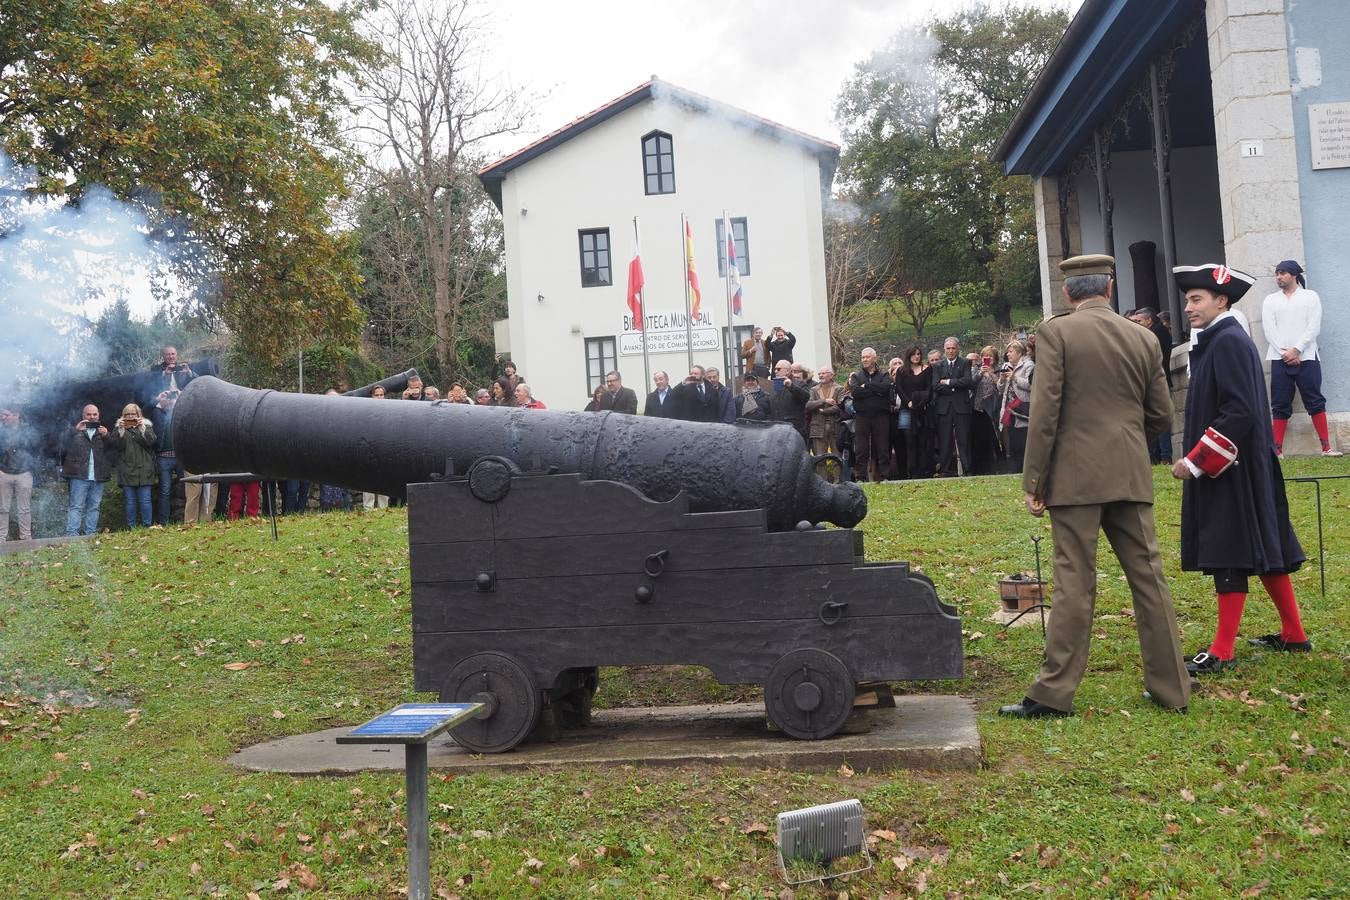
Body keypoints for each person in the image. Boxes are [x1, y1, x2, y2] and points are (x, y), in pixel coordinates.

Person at [1000, 254, 1189, 718]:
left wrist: (1035, 478)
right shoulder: (1144, 337)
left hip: (1074, 477)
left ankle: (1053, 694)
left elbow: (1045, 412)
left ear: (1068, 293)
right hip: (1128, 470)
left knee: (1073, 583)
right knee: (1149, 580)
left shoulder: (1056, 332)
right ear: (1110, 287)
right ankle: (1173, 690)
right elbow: (1162, 416)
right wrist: (1125, 441)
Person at [1170, 263, 1311, 674]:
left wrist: (1196, 461)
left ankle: (1222, 650)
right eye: (1188, 300)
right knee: (1268, 546)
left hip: (1231, 467)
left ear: (1221, 300)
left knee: (1228, 550)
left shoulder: (1228, 340)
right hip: (1241, 464)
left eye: (1196, 300)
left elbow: (1239, 412)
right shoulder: (1220, 338)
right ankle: (1293, 633)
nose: (1189, 307)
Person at [1262, 259, 1342, 456]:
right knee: (1280, 403)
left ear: (1294, 275)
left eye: (1283, 273)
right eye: (1277, 273)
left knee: (1315, 400)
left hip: (1307, 357)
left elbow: (1313, 326)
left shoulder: (1310, 296)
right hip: (1280, 358)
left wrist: (1297, 349)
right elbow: (1269, 329)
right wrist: (1285, 353)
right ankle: (1277, 450)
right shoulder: (1271, 300)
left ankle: (1326, 447)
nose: (1278, 277)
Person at [62, 404, 114, 536]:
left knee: (94, 507)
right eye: (88, 414)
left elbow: (116, 449)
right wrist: (75, 430)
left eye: (94, 414)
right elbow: (61, 445)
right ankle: (72, 535)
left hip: (98, 475)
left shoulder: (103, 432)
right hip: (78, 475)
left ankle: (90, 534)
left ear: (98, 415)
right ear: (83, 416)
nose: (91, 417)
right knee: (76, 506)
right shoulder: (74, 431)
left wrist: (107, 435)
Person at [1132, 307, 1174, 463]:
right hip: (1150, 383)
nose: (1135, 324)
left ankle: (1164, 456)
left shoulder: (1156, 333)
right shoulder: (1150, 333)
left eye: (1138, 321)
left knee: (1161, 420)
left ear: (1149, 320)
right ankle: (1154, 455)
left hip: (1157, 384)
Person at [847, 348, 892, 482]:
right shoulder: (856, 376)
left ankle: (885, 476)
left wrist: (866, 386)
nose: (864, 359)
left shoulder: (884, 375)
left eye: (867, 357)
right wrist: (875, 389)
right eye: (863, 357)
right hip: (862, 416)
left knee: (883, 447)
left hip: (880, 416)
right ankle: (860, 477)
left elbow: (885, 389)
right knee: (861, 448)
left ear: (874, 358)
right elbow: (855, 392)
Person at [932, 337, 975, 476]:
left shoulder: (965, 363)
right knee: (945, 440)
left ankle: (967, 469)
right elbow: (936, 386)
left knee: (964, 439)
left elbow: (968, 381)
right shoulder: (938, 366)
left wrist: (949, 382)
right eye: (948, 348)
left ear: (958, 348)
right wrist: (955, 386)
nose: (950, 351)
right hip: (944, 408)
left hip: (961, 407)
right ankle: (946, 470)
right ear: (944, 349)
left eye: (953, 348)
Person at [894, 346, 932, 480]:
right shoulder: (901, 371)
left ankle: (922, 471)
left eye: (919, 354)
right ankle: (911, 471)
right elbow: (899, 388)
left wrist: (919, 403)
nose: (917, 356)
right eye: (914, 354)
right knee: (909, 440)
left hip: (922, 410)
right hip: (905, 411)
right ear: (908, 355)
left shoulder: (927, 369)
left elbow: (929, 389)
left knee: (922, 441)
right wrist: (908, 402)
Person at [998, 339, 1034, 474]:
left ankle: (1025, 469)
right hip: (1010, 410)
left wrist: (1015, 378)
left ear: (1019, 353)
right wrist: (1001, 379)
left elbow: (1032, 385)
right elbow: (1001, 390)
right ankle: (1015, 470)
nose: (1008, 354)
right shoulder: (1007, 365)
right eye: (1007, 352)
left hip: (1023, 409)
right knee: (1011, 442)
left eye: (1010, 351)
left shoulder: (1029, 365)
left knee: (1022, 441)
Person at [0, 406, 36, 541]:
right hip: (3, 473)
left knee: (24, 509)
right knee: (2, 509)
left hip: (24, 473)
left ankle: (26, 539)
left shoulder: (28, 430)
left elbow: (37, 449)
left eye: (6, 415)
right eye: (2, 415)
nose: (3, 417)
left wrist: (31, 469)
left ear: (16, 415)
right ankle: (1, 539)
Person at [149, 390, 183, 525]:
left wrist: (181, 396)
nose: (170, 401)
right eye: (168, 398)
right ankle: (164, 522)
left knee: (189, 486)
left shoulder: (181, 412)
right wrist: (157, 399)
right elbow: (144, 409)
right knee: (165, 490)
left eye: (172, 398)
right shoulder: (157, 413)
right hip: (163, 458)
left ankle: (187, 518)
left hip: (181, 457)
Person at [969, 344, 1004, 474]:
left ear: (995, 358)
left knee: (995, 438)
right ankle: (980, 468)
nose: (987, 359)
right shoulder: (975, 369)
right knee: (979, 440)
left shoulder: (999, 370)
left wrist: (992, 375)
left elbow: (1001, 389)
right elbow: (971, 384)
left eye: (989, 356)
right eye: (984, 356)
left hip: (993, 408)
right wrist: (980, 374)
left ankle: (999, 467)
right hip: (978, 409)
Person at [806, 366, 846, 464]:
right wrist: (824, 401)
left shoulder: (839, 389)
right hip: (818, 428)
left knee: (837, 458)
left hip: (835, 427)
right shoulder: (813, 390)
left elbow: (841, 406)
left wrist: (824, 411)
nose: (820, 375)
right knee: (819, 459)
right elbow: (808, 405)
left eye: (823, 373)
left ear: (831, 375)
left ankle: (838, 480)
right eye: (819, 374)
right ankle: (822, 479)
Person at [769, 360, 810, 440]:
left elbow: (806, 397)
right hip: (778, 430)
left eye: (778, 369)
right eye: (775, 369)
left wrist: (791, 386)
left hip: (794, 430)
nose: (776, 371)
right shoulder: (775, 386)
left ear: (788, 371)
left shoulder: (799, 383)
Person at [363, 388, 390, 510]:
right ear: (372, 396)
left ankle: (383, 507)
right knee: (368, 480)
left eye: (381, 395)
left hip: (384, 448)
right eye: (376, 395)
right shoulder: (366, 411)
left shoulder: (389, 411)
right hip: (369, 449)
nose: (379, 397)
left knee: (384, 479)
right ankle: (368, 507)